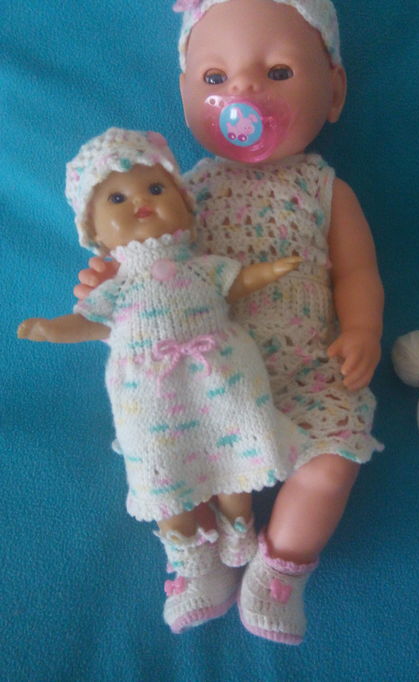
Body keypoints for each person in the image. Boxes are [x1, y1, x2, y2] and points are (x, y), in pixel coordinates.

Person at [75, 0, 385, 645]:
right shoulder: (180, 194)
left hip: (311, 373)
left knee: (333, 464)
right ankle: (198, 560)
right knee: (165, 451)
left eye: (277, 72)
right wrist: (112, 282)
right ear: (186, 94)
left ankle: (281, 570)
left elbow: (359, 270)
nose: (243, 90)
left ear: (333, 91)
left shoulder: (327, 190)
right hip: (207, 376)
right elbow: (151, 269)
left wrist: (362, 327)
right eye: (215, 78)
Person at [18, 127, 304, 634]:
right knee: (163, 479)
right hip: (151, 406)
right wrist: (52, 329)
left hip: (225, 384)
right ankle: (195, 564)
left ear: (185, 207)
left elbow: (239, 281)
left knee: (236, 462)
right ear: (95, 232)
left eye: (155, 188)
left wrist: (272, 270)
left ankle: (238, 532)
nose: (141, 203)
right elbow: (89, 322)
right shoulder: (116, 290)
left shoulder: (204, 268)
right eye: (117, 198)